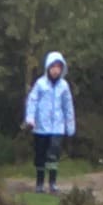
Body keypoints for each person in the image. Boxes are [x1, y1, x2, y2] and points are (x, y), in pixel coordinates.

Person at [24, 50, 77, 192]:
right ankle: (39, 183)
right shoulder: (40, 84)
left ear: (62, 69)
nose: (55, 70)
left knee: (53, 155)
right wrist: (30, 118)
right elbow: (32, 101)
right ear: (48, 67)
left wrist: (70, 125)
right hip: (41, 127)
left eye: (58, 67)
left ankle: (52, 183)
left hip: (57, 127)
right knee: (40, 155)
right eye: (53, 67)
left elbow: (68, 106)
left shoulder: (64, 86)